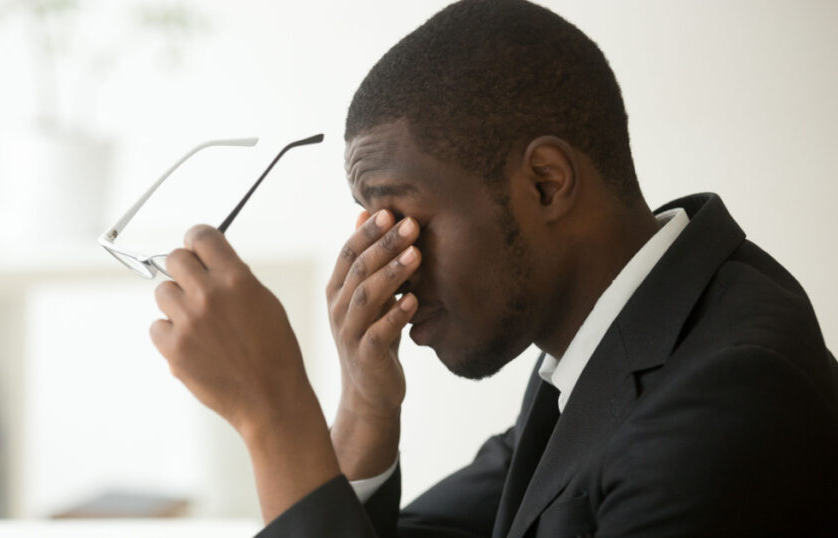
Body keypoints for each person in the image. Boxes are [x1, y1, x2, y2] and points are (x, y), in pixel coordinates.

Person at [147, 0, 838, 535]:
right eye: (375, 223)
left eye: (403, 215)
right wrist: (363, 408)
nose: (390, 261)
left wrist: (274, 416)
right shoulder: (616, 344)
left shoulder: (731, 393)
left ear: (544, 182)